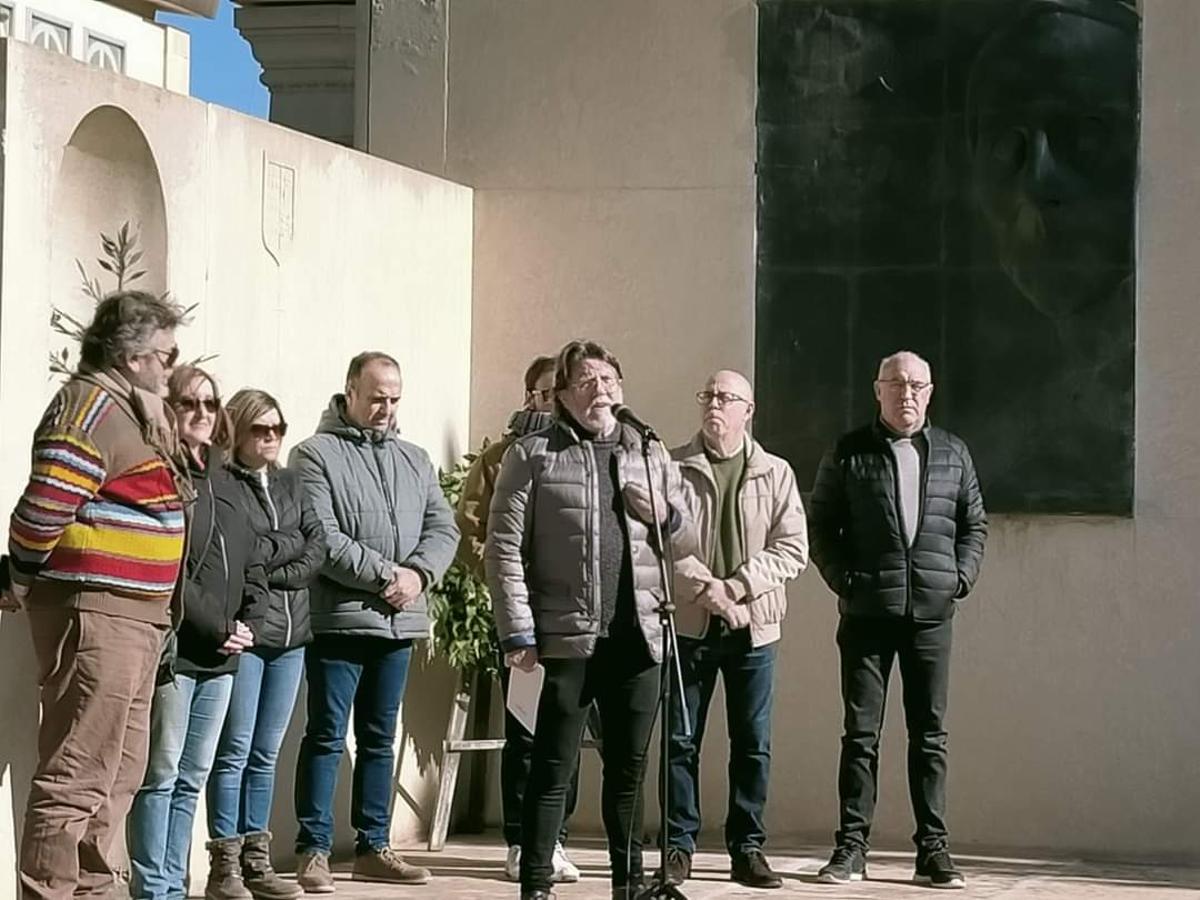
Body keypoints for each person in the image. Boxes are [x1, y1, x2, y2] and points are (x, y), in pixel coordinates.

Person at [486, 339, 697, 900]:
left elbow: (688, 536)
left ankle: (627, 888)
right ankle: (536, 887)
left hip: (638, 638)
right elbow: (502, 549)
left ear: (622, 389)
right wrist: (519, 633)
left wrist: (666, 514)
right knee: (550, 772)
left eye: (608, 379)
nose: (600, 390)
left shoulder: (649, 453)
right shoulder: (532, 455)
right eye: (585, 381)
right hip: (562, 641)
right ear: (561, 396)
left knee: (628, 774)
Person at [3, 290, 191, 900]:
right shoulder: (87, 405)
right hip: (96, 614)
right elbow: (43, 508)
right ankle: (51, 893)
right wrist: (23, 577)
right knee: (77, 774)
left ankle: (91, 891)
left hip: (138, 621)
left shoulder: (131, 411)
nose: (173, 366)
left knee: (117, 777)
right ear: (131, 355)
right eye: (167, 354)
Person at [809, 351, 987, 889]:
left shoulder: (954, 453)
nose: (906, 393)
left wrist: (958, 578)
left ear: (930, 392)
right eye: (896, 384)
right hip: (867, 615)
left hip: (931, 615)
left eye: (916, 385)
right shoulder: (848, 452)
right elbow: (821, 526)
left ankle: (932, 850)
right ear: (877, 390)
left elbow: (974, 524)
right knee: (860, 735)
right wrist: (847, 581)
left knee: (930, 736)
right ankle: (850, 849)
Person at [290, 351, 458, 891]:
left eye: (394, 399)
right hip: (341, 621)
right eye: (377, 397)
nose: (386, 408)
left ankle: (374, 845)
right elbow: (322, 535)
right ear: (350, 392)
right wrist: (387, 573)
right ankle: (313, 848)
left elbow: (443, 528)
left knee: (381, 738)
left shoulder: (415, 458)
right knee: (325, 734)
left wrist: (417, 576)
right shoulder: (312, 455)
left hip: (399, 621)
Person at [661, 370, 808, 890]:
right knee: (681, 741)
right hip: (692, 627)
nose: (714, 405)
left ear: (749, 409)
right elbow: (661, 546)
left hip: (754, 630)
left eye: (727, 398)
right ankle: (677, 848)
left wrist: (739, 588)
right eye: (708, 396)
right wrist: (712, 593)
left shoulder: (776, 473)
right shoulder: (672, 467)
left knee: (752, 743)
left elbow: (793, 549)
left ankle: (747, 848)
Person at [127, 366, 269, 900]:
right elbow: (173, 570)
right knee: (160, 774)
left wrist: (247, 623)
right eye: (190, 403)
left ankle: (175, 883)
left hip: (224, 654)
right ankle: (153, 888)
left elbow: (253, 559)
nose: (203, 414)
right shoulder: (162, 476)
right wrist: (218, 626)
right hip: (180, 651)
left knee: (194, 775)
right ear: (169, 407)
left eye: (212, 404)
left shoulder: (227, 480)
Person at [454, 354, 581, 885]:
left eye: (560, 391)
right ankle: (519, 839)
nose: (552, 401)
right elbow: (472, 529)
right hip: (523, 617)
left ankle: (557, 838)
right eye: (543, 392)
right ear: (529, 395)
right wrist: (509, 578)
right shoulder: (500, 456)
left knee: (568, 734)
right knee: (526, 730)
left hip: (574, 618)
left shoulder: (587, 455)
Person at [205, 389, 325, 900]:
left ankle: (258, 861)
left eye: (277, 428)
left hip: (293, 634)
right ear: (236, 431)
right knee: (233, 751)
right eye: (260, 429)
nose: (271, 437)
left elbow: (315, 547)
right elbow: (242, 551)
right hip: (248, 632)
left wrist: (274, 561)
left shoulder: (292, 481)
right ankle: (224, 866)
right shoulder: (223, 485)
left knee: (266, 752)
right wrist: (282, 552)